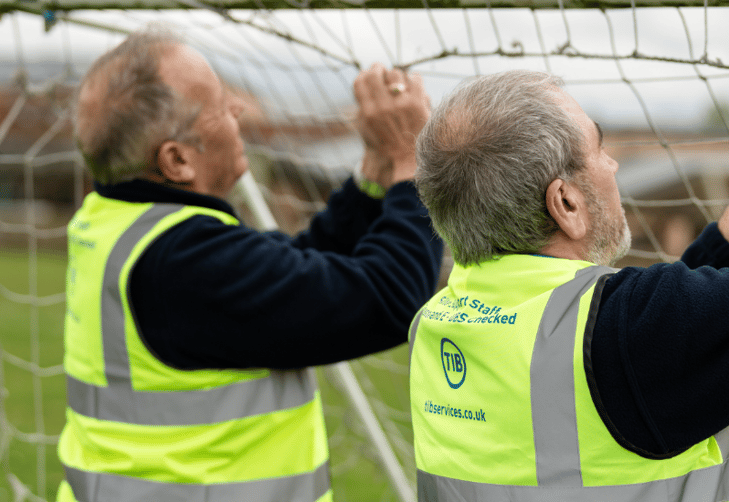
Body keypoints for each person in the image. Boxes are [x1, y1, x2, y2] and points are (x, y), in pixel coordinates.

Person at [407, 40, 729, 500]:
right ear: (566, 203)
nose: (614, 165)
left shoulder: (434, 325)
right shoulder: (623, 334)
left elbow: (652, 343)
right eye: (598, 149)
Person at [57, 28, 442, 502]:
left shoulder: (120, 223)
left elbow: (293, 275)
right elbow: (386, 299)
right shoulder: (183, 260)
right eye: (219, 106)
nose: (237, 112)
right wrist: (411, 162)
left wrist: (374, 180)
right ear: (177, 160)